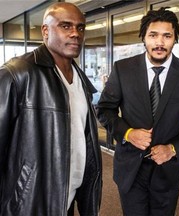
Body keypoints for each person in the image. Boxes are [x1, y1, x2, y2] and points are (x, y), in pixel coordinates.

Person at [96, 7, 179, 216]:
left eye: (167, 36)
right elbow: (105, 110)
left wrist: (173, 148)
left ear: (175, 39)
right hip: (130, 168)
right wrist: (128, 133)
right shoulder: (123, 69)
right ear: (144, 37)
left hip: (166, 170)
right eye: (153, 35)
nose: (160, 42)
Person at [0, 2, 102, 215]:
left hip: (68, 196)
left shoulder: (81, 80)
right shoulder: (17, 74)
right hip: (30, 201)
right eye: (66, 26)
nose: (75, 33)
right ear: (45, 31)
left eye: (80, 27)